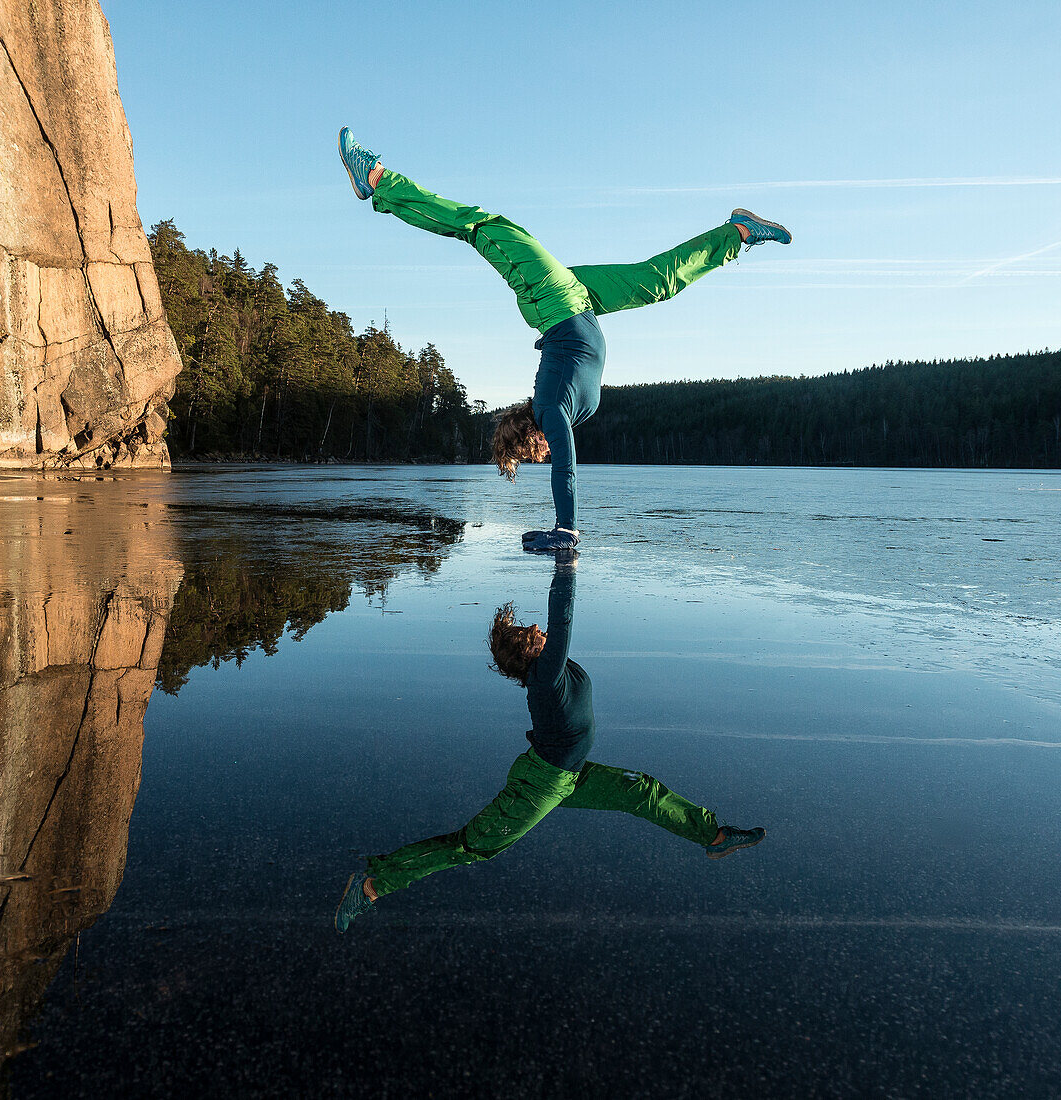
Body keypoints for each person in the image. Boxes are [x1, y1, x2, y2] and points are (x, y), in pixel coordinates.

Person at [337, 128, 792, 552]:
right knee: (657, 282)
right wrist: (566, 529)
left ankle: (378, 181)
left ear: (531, 434)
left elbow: (564, 469)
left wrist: (566, 527)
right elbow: (564, 466)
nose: (547, 450)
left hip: (555, 302)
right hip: (574, 305)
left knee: (480, 226)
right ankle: (740, 233)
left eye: (534, 449)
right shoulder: (563, 412)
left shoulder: (555, 410)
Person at [335, 562, 765, 931]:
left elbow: (555, 631)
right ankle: (373, 884)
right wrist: (565, 566)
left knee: (642, 791)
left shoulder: (548, 669)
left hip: (566, 774)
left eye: (532, 627)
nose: (537, 629)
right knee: (471, 846)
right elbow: (562, 619)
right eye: (529, 631)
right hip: (540, 784)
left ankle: (715, 835)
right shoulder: (545, 677)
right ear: (530, 651)